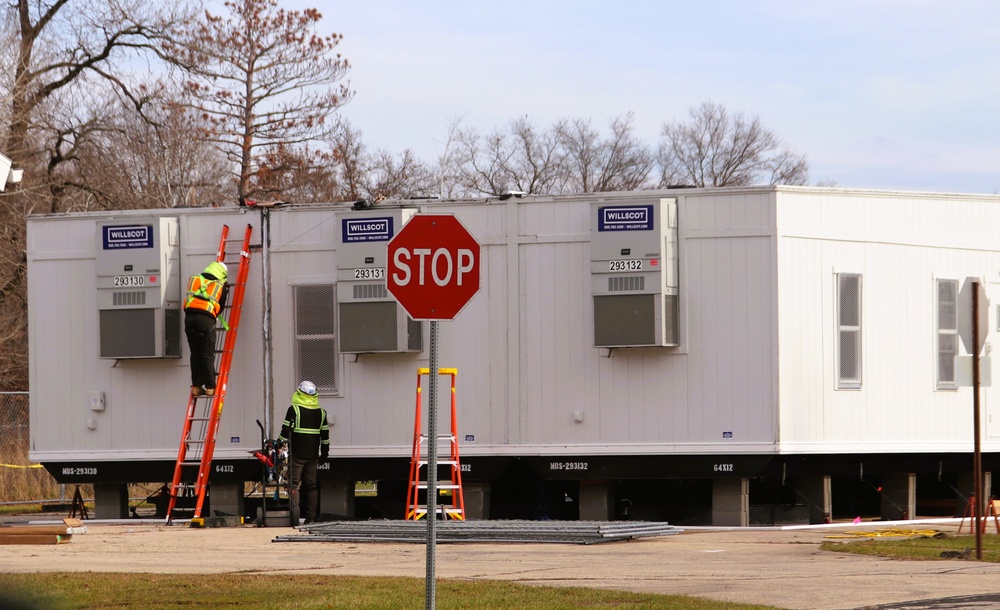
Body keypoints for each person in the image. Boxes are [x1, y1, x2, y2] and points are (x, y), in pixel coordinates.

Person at [278, 380, 330, 524]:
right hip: (313, 455)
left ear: (299, 393)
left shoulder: (294, 410)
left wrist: (277, 443)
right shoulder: (322, 413)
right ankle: (311, 517)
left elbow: (285, 431)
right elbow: (325, 437)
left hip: (297, 455)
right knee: (311, 486)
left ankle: (295, 516)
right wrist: (324, 455)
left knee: (294, 484)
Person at [183, 261, 228, 396]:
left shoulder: (194, 279)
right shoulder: (220, 285)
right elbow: (221, 306)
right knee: (207, 354)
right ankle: (210, 387)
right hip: (206, 320)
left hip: (189, 319)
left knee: (195, 353)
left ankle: (196, 386)